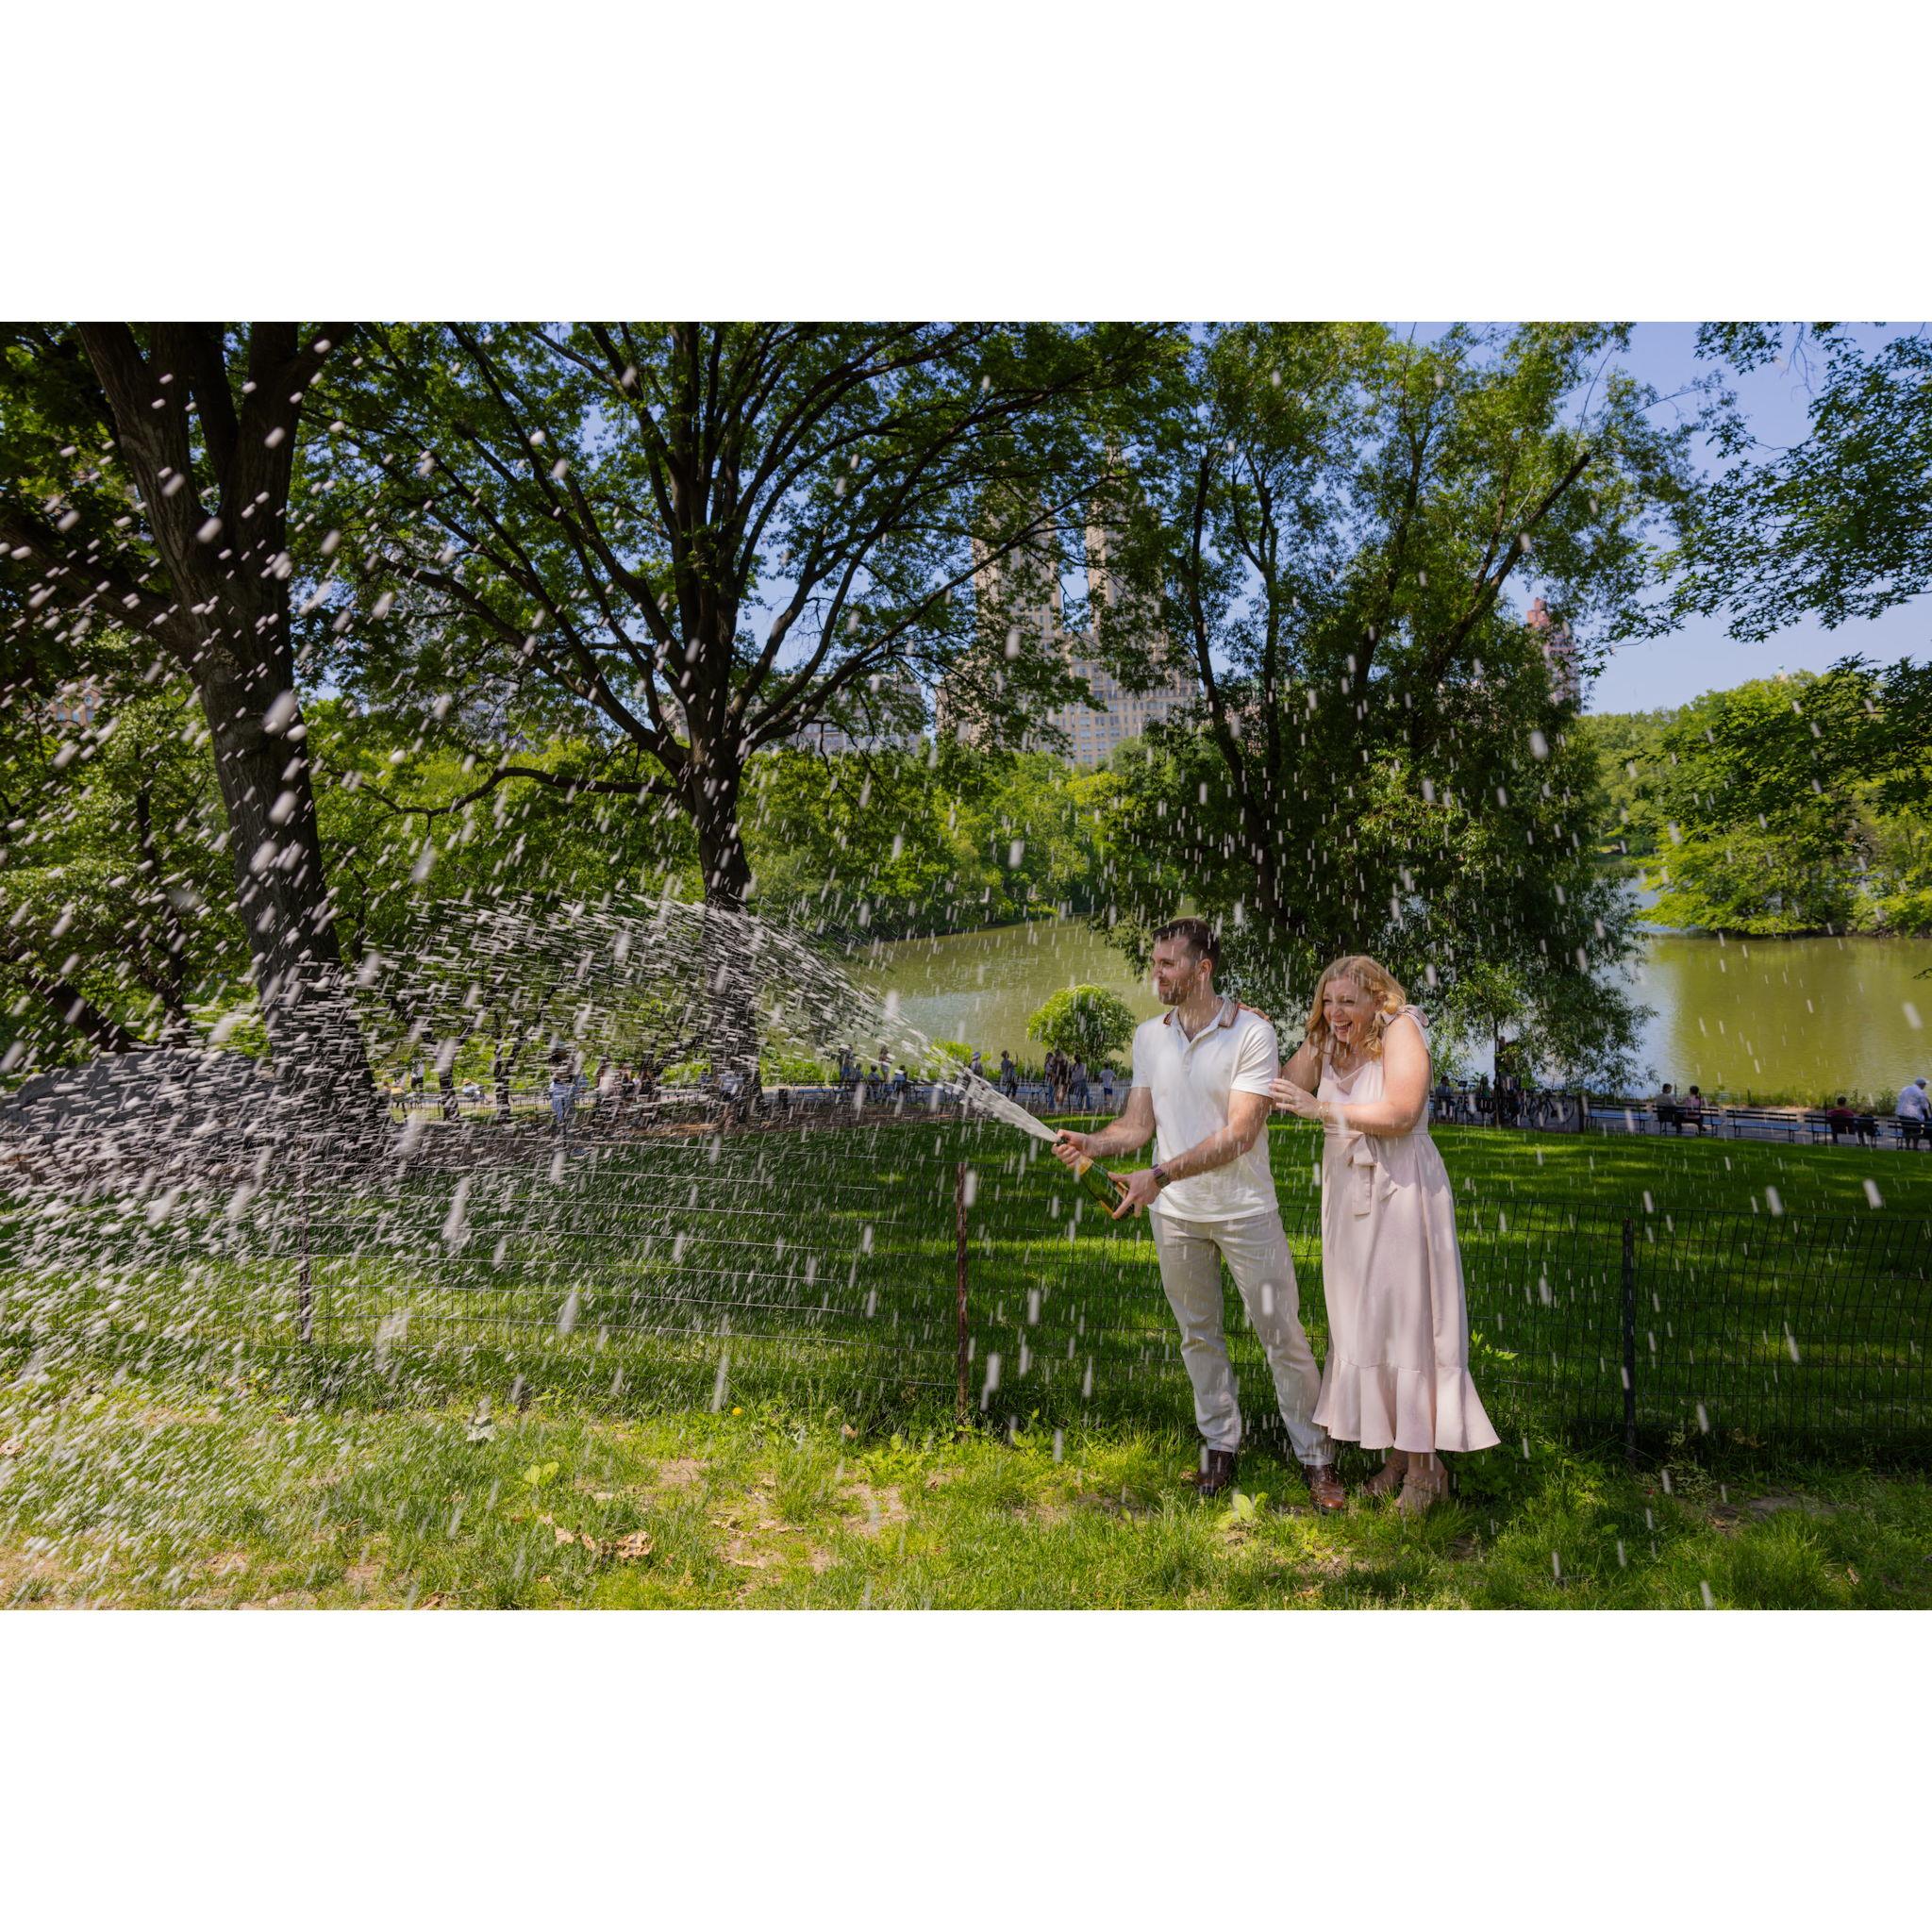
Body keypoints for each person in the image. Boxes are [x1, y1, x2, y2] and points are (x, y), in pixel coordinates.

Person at [1051, 918, 1343, 1511]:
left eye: (1167, 964)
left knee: (1282, 1336)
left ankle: (1317, 1460)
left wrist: (1158, 1175)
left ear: (1202, 969)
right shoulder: (1147, 1038)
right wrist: (1092, 1143)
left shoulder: (1253, 1034)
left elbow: (1240, 1135)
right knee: (1197, 1336)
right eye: (1154, 963)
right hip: (1176, 1217)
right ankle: (1219, 1446)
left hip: (1245, 1212)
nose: (1155, 974)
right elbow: (1137, 1126)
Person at [1272, 956, 1501, 1511]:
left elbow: (1402, 1111)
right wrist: (1305, 1031)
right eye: (1328, 1000)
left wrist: (1323, 1109)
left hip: (1400, 1191)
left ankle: (1425, 1471)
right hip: (1348, 1198)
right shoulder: (1331, 1040)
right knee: (1364, 1323)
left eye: (1347, 1001)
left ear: (1379, 998)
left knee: (1409, 1323)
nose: (1336, 1010)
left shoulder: (1403, 1029)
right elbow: (1286, 1086)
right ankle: (1400, 1455)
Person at [1896, 1076, 1929, 1149]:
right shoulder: (1920, 1092)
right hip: (1913, 1116)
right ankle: (1915, 1147)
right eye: (1924, 1084)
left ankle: (1907, 1146)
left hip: (1901, 1114)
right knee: (1916, 1130)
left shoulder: (1905, 1089)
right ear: (1921, 1085)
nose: (1925, 1086)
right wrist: (1927, 1119)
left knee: (1907, 1129)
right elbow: (1925, 1107)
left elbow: (1899, 1099)